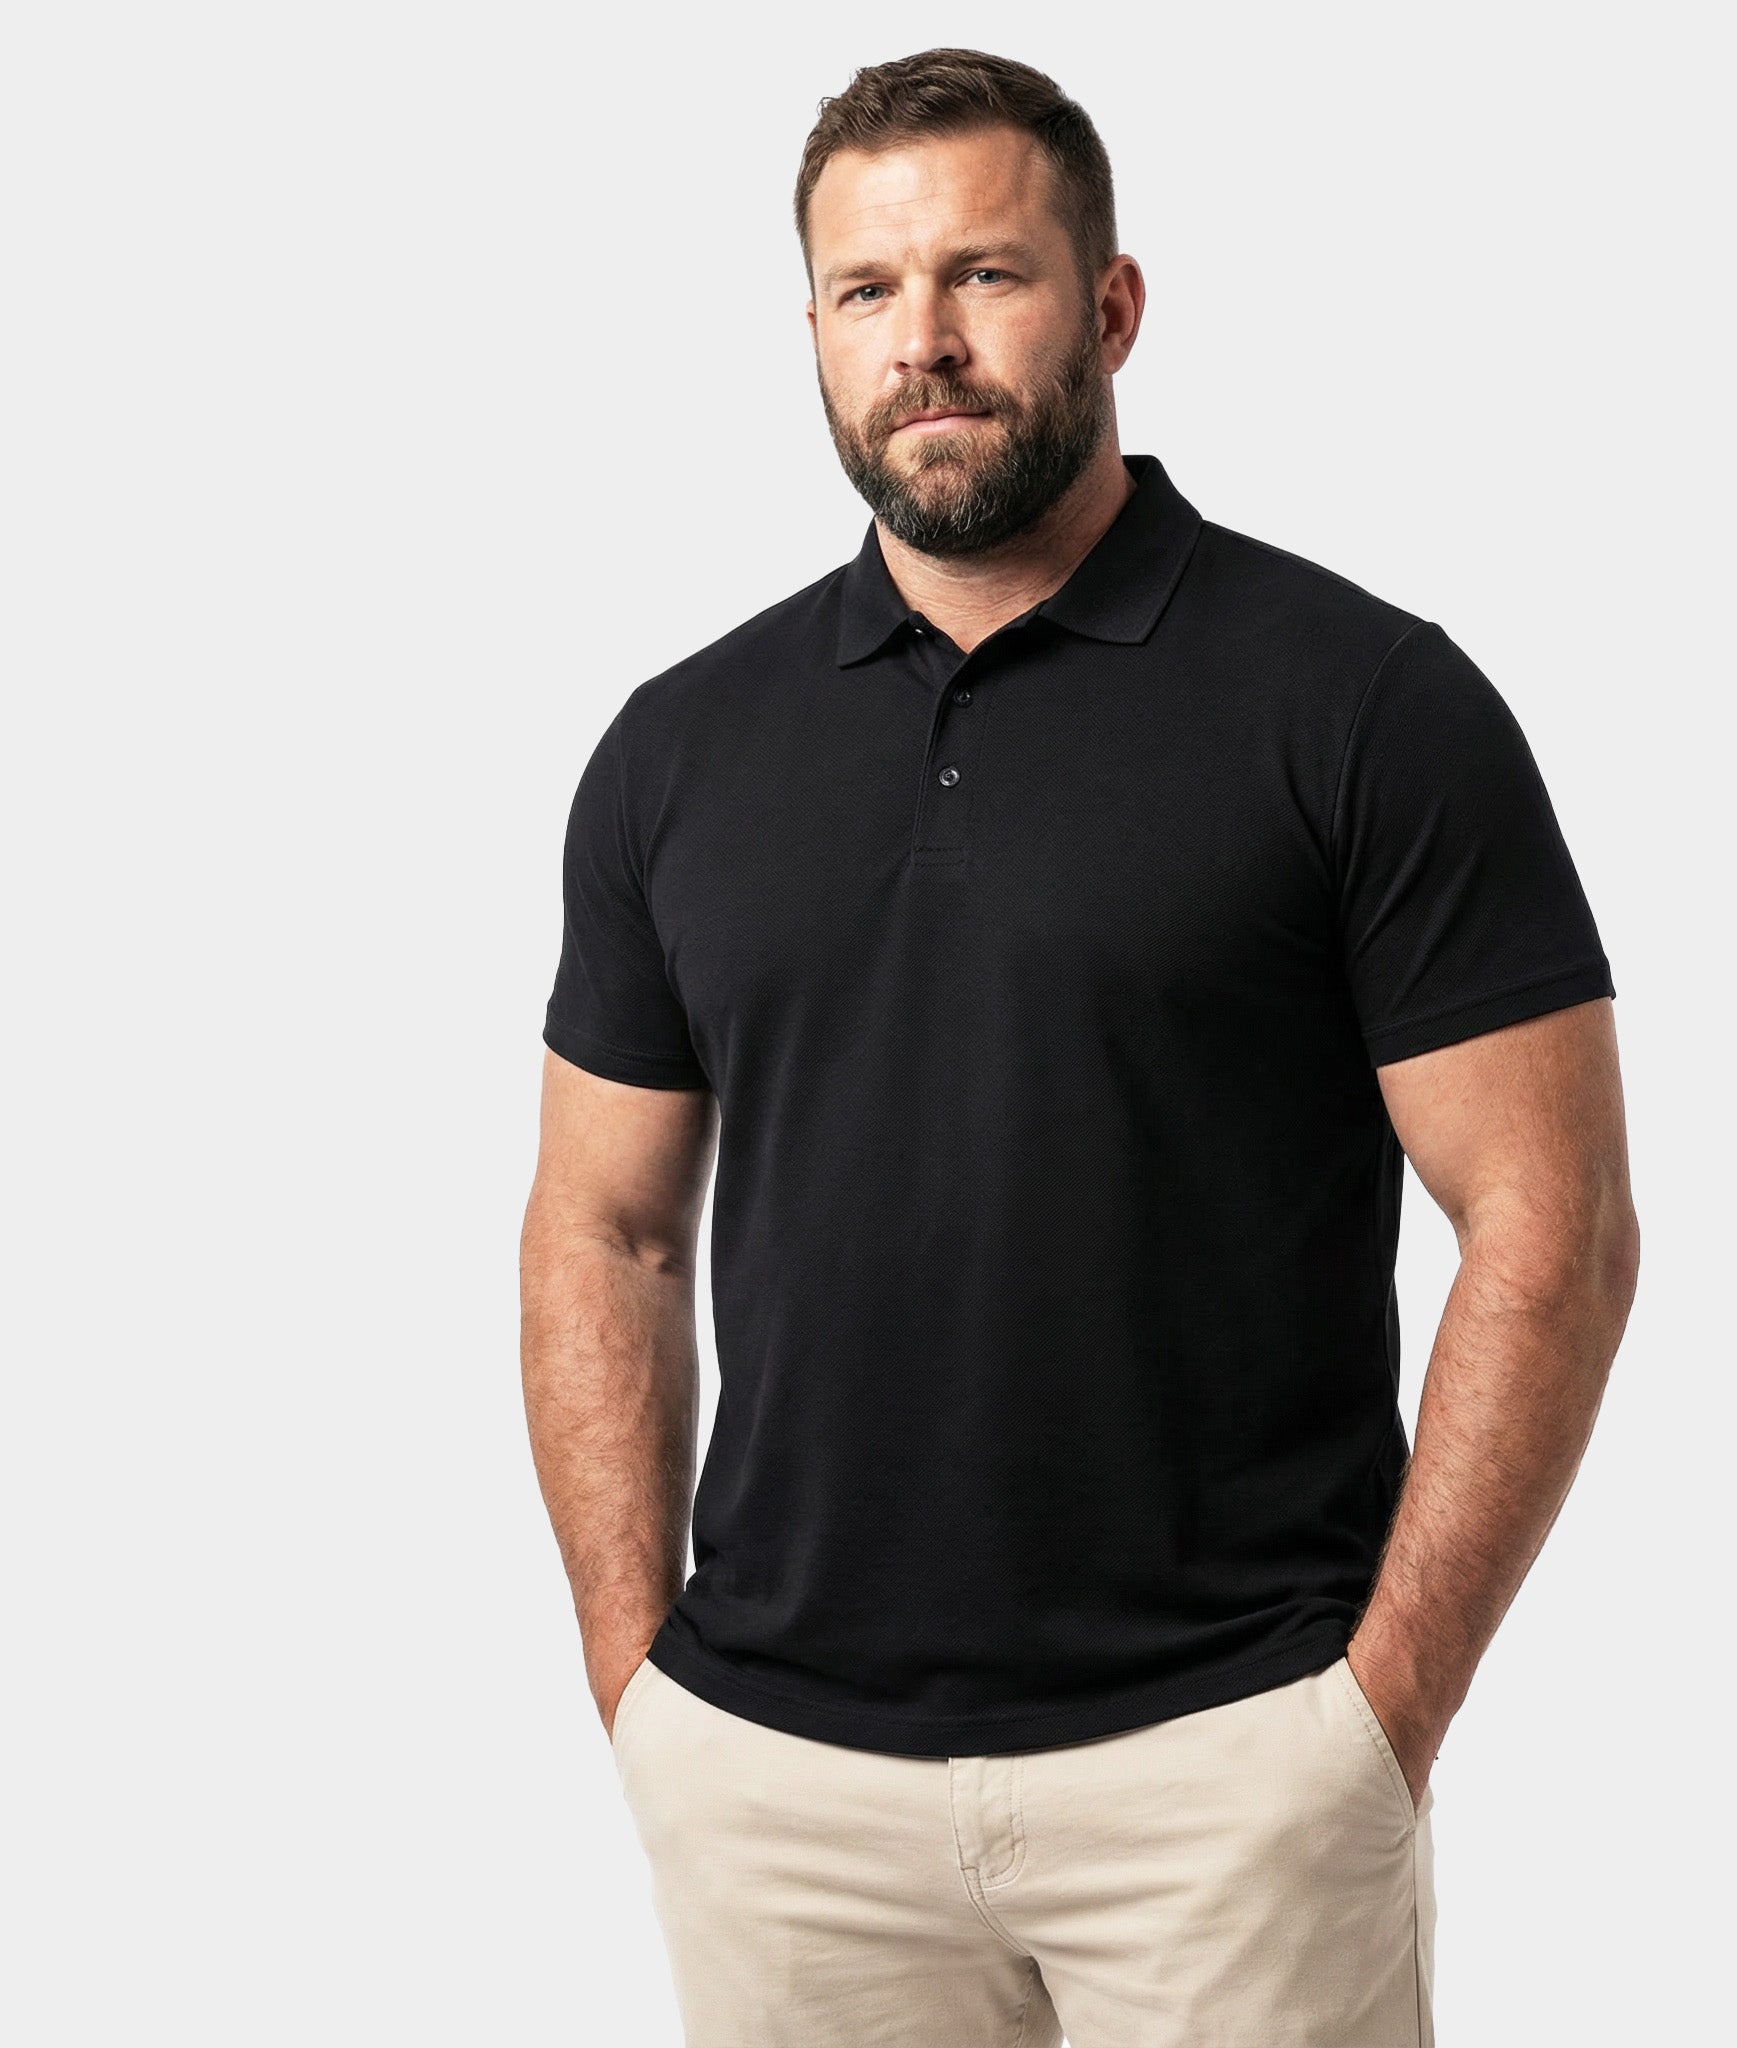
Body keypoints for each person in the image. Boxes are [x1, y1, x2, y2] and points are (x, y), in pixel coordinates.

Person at [520, 45, 1639, 2048]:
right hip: (782, 1792)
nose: (923, 344)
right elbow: (605, 1227)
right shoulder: (678, 750)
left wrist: (1380, 1712)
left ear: (1111, 306)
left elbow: (1550, 1220)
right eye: (866, 291)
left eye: (985, 274)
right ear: (812, 332)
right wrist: (641, 1686)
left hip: (1229, 1777)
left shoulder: (1361, 706)